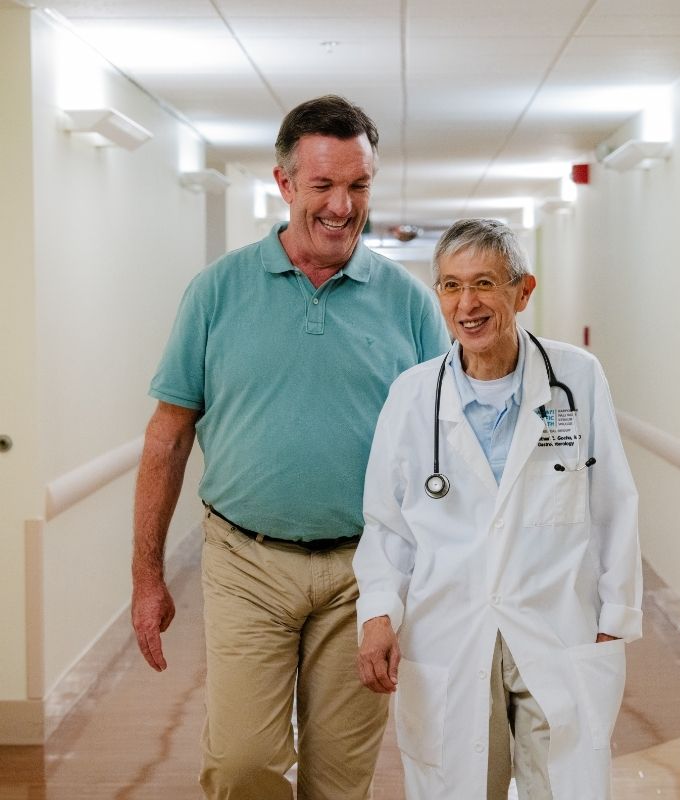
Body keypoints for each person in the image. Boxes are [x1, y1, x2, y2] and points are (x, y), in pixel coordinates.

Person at [130, 95, 449, 800]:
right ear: (284, 184)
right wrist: (147, 577)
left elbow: (444, 449)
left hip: (366, 571)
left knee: (340, 779)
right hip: (248, 560)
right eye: (323, 185)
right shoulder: (217, 292)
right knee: (244, 763)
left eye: (359, 186)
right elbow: (167, 436)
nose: (343, 205)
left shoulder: (408, 304)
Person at [354, 218, 642, 799]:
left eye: (485, 283)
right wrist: (379, 612)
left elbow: (613, 503)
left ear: (523, 291)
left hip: (557, 625)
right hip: (450, 631)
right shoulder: (411, 395)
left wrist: (614, 622)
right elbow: (387, 526)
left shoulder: (576, 379)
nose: (468, 304)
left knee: (562, 787)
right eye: (452, 286)